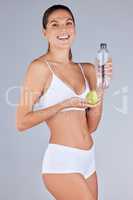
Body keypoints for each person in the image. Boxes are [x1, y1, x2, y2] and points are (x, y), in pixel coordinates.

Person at [16, 4, 112, 200]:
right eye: (55, 24)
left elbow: (91, 126)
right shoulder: (39, 68)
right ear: (45, 32)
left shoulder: (88, 70)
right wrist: (63, 104)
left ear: (74, 29)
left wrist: (101, 87)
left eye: (69, 23)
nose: (63, 29)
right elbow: (21, 122)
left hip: (88, 160)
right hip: (61, 162)